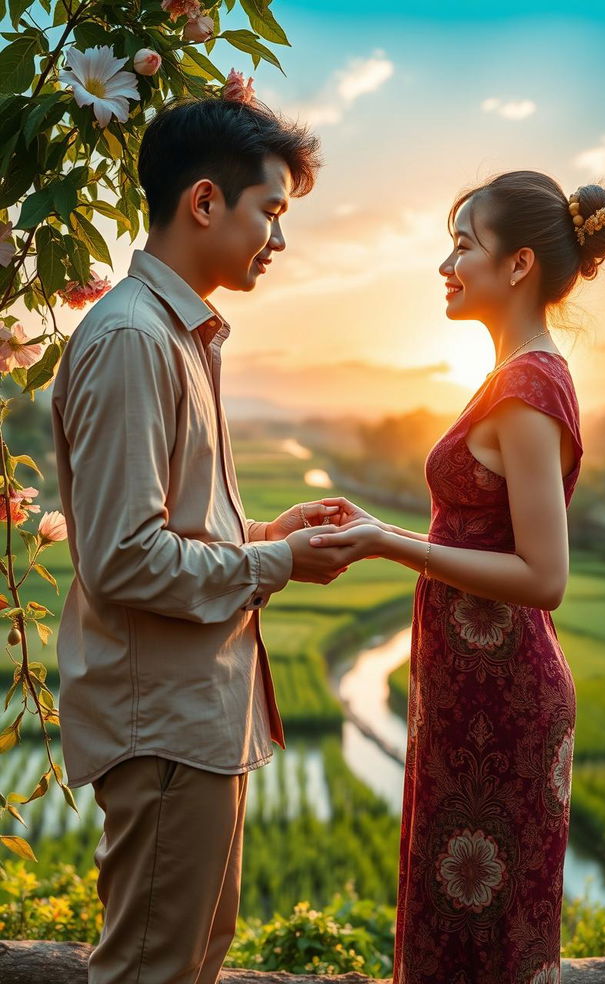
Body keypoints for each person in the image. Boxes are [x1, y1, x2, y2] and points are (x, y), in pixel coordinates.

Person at [51, 93, 348, 984]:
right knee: (153, 971)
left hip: (197, 724)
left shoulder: (179, 336)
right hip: (166, 728)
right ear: (206, 202)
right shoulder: (136, 340)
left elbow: (179, 528)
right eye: (273, 213)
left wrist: (267, 533)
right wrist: (277, 562)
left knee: (189, 966)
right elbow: (123, 557)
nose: (280, 242)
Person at [309, 171, 605, 983]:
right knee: (457, 936)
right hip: (471, 694)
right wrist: (382, 531)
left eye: (462, 246)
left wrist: (388, 543)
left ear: (518, 265)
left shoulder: (526, 390)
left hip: (503, 703)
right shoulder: (514, 376)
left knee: (481, 950)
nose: (445, 265)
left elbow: (543, 574)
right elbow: (479, 534)